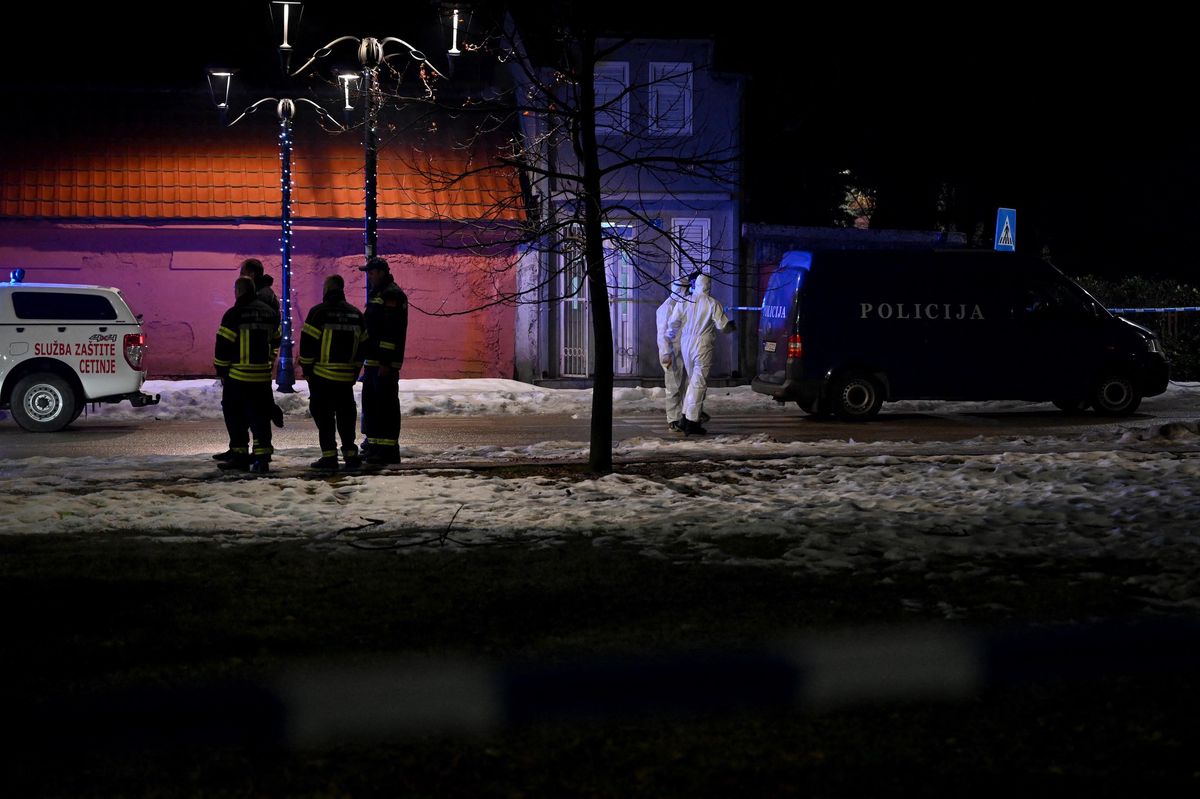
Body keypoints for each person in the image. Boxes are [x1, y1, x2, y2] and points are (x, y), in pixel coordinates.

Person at [213, 276, 281, 473]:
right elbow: (276, 340)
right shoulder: (269, 313)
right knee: (260, 416)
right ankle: (262, 457)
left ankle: (240, 455)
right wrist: (268, 362)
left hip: (238, 376)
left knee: (236, 416)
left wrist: (222, 370)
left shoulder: (234, 314)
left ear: (239, 291)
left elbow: (223, 345)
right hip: (261, 377)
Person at [299, 274, 366, 470]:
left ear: (327, 290)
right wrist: (354, 371)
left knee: (324, 417)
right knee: (346, 416)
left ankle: (329, 457)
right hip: (345, 378)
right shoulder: (356, 314)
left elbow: (308, 345)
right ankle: (350, 454)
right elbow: (363, 346)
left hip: (322, 376)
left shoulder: (318, 313)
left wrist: (307, 369)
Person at [667, 272, 735, 435]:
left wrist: (669, 340)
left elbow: (673, 322)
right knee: (699, 383)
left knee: (693, 381)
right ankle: (692, 421)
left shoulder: (685, 301)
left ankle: (684, 418)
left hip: (686, 342)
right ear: (708, 285)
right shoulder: (712, 303)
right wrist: (731, 326)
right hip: (703, 344)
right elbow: (722, 326)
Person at [358, 257, 409, 466]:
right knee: (372, 404)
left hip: (383, 362)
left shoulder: (391, 295)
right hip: (373, 361)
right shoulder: (380, 293)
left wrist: (385, 363)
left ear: (380, 272)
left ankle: (387, 449)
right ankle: (375, 445)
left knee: (385, 406)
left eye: (371, 273)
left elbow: (390, 331)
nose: (369, 277)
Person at [237, 258, 285, 430]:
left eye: (243, 273)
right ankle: (270, 410)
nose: (240, 276)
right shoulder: (264, 293)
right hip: (261, 353)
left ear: (252, 274)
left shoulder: (261, 296)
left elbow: (260, 326)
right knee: (259, 394)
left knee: (255, 400)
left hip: (256, 355)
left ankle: (270, 411)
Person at [656, 275, 690, 432]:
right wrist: (665, 353)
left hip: (679, 350)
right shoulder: (667, 308)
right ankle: (673, 419)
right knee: (673, 386)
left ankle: (682, 416)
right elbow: (663, 333)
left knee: (682, 386)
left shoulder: (679, 305)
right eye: (687, 289)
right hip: (670, 352)